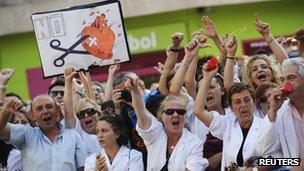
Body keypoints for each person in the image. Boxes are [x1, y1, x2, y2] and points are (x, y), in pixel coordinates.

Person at [194, 61, 281, 170]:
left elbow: (279, 159)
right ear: (231, 107)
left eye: (246, 100)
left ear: (254, 103)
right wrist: (207, 79)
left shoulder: (265, 125)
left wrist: (254, 169)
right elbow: (198, 111)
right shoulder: (226, 124)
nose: (243, 105)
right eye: (237, 102)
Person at [126, 73, 208, 170]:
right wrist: (135, 90)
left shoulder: (194, 142)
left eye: (181, 112)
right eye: (170, 111)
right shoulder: (156, 133)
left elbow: (194, 166)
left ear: (185, 117)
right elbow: (141, 113)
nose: (175, 114)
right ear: (162, 116)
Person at [0, 94, 86, 171]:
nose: (45, 111)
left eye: (49, 106)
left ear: (57, 111)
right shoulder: (26, 135)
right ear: (33, 116)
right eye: (39, 109)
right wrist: (5, 112)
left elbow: (83, 168)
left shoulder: (73, 135)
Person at [270, 57, 304, 166]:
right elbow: (266, 148)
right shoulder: (281, 111)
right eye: (282, 80)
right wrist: (273, 110)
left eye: (291, 78)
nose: (285, 84)